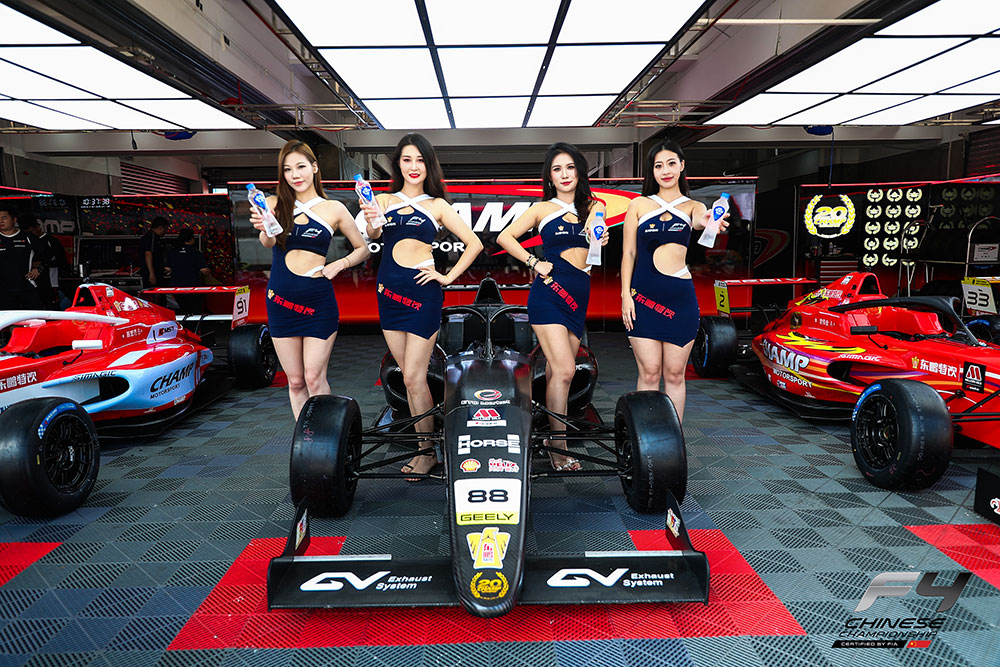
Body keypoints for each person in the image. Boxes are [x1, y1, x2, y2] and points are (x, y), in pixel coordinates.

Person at [359, 133, 483, 479]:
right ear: (397, 165)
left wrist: (448, 277)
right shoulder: (382, 201)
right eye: (406, 160)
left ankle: (427, 452)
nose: (413, 166)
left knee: (414, 376)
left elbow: (473, 243)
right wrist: (371, 219)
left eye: (420, 160)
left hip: (422, 296)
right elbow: (373, 236)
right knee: (409, 378)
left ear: (429, 165)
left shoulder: (437, 205)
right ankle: (426, 445)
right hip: (388, 295)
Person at [496, 142, 607, 471]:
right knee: (565, 369)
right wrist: (533, 261)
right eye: (557, 169)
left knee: (561, 374)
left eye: (570, 167)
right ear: (549, 176)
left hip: (579, 296)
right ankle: (559, 446)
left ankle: (548, 435)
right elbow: (505, 237)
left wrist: (599, 236)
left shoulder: (594, 206)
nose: (564, 174)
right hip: (549, 295)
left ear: (579, 171)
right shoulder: (541, 209)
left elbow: (597, 230)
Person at [251, 140, 370, 420]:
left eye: (301, 166)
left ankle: (324, 438)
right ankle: (304, 438)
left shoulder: (334, 208)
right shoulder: (273, 204)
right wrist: (265, 227)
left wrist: (339, 264)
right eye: (288, 169)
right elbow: (267, 242)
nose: (295, 175)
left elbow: (362, 249)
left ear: (314, 167)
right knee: (295, 381)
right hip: (281, 301)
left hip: (318, 302)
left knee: (314, 378)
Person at [620, 139, 729, 420]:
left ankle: (674, 437)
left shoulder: (693, 206)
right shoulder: (639, 205)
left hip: (680, 301)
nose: (665, 171)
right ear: (652, 171)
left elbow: (701, 219)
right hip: (642, 299)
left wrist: (710, 221)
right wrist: (625, 296)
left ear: (681, 166)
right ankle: (647, 438)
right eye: (658, 166)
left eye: (671, 163)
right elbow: (629, 253)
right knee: (649, 372)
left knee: (674, 374)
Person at [0, 207, 46, 310]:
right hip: (3, 291)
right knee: (6, 319)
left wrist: (39, 269)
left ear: (14, 219)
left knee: (33, 317)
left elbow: (48, 253)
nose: (1, 221)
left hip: (26, 287)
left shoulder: (28, 237)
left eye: (4, 218)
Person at [20, 214, 69, 309]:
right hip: (31, 283)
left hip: (51, 282)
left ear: (38, 227)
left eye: (31, 231)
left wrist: (42, 265)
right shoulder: (24, 241)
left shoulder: (52, 241)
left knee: (52, 307)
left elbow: (62, 262)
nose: (30, 235)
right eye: (26, 232)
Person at [165, 228, 210, 313]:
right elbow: (204, 270)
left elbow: (167, 268)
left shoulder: (173, 252)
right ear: (191, 239)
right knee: (194, 310)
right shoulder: (196, 252)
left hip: (176, 287)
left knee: (182, 309)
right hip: (193, 286)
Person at [139, 217, 168, 287]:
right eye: (166, 229)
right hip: (152, 273)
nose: (166, 232)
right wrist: (151, 273)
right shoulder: (151, 237)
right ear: (161, 228)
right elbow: (148, 254)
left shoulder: (152, 237)